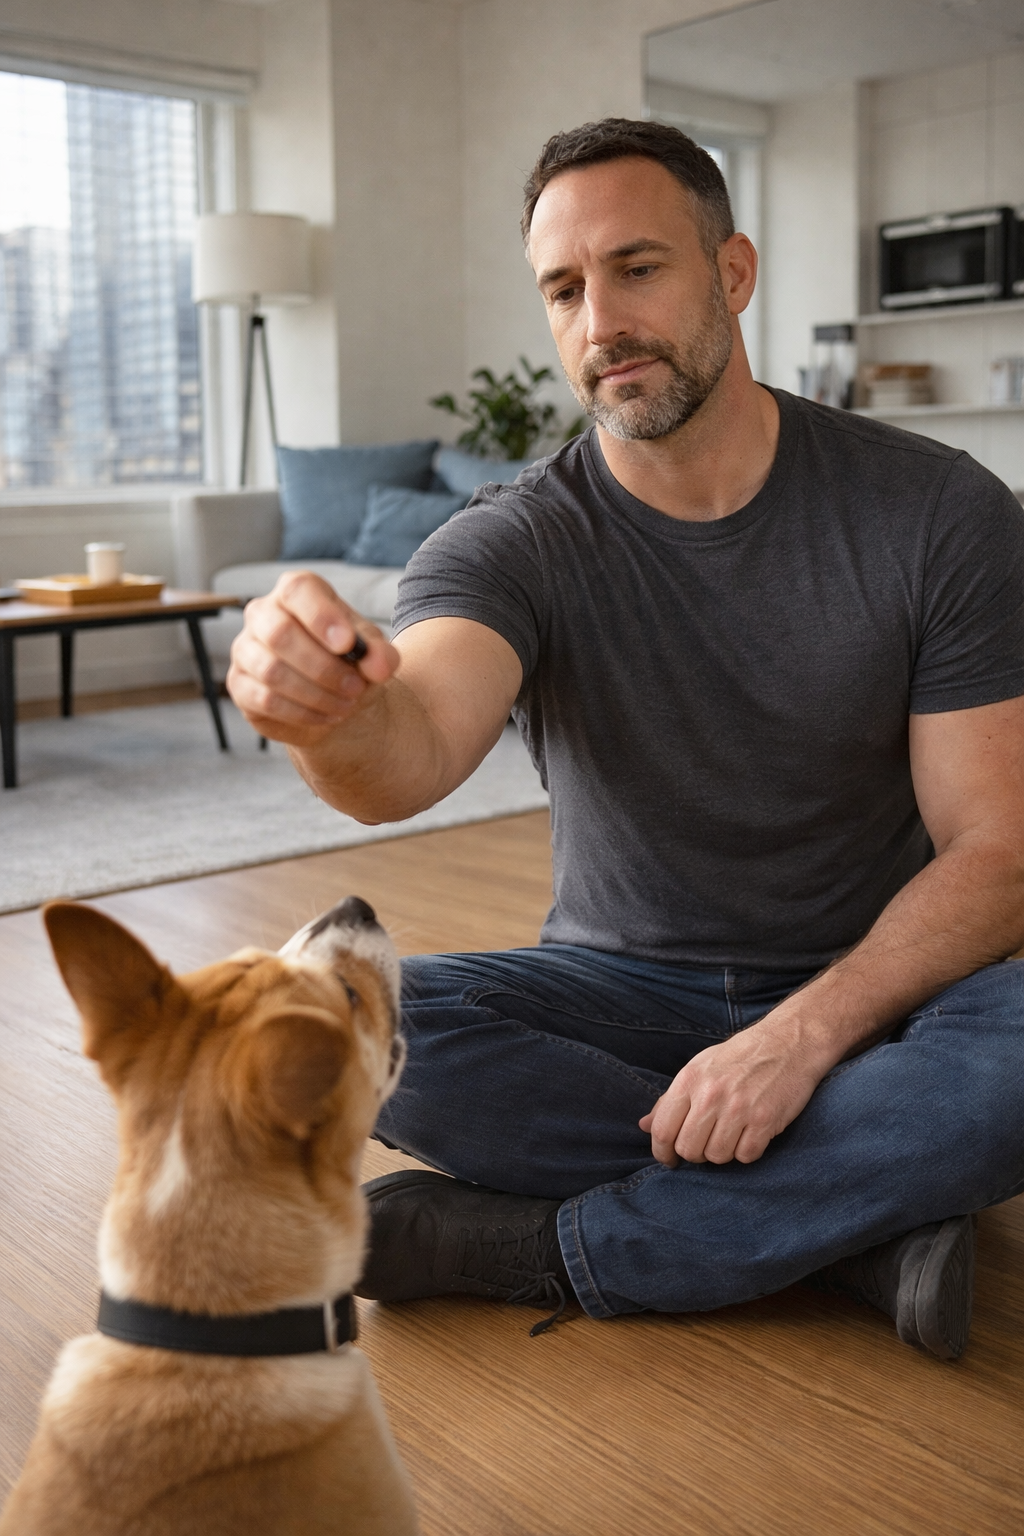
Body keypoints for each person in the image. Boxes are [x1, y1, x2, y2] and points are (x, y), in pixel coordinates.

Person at [227, 119, 1024, 1360]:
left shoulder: (938, 511)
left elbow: (996, 849)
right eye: (563, 287)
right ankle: (859, 1228)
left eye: (638, 268)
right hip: (620, 988)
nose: (600, 322)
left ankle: (540, 1243)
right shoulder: (513, 542)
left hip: (879, 989)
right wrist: (328, 716)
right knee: (329, 1014)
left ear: (733, 273)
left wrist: (799, 1038)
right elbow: (410, 750)